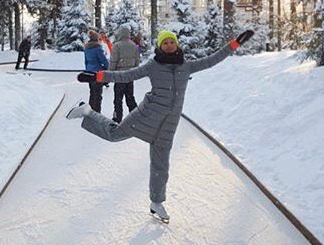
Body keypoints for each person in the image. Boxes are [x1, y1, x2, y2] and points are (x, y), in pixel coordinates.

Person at [66, 28, 254, 223]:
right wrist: (98, 77)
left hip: (168, 125)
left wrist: (235, 44)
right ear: (160, 46)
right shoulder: (153, 66)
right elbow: (127, 75)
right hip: (147, 115)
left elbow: (212, 59)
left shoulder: (186, 66)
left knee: (161, 165)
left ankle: (156, 202)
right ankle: (87, 112)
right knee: (114, 135)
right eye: (165, 43)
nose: (169, 45)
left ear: (176, 44)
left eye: (172, 42)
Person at [109, 26, 140, 123]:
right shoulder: (133, 45)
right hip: (129, 76)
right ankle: (135, 116)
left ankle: (117, 117)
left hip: (119, 76)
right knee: (130, 97)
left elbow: (113, 60)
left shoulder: (117, 45)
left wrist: (110, 73)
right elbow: (137, 61)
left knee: (118, 98)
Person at [83, 29, 109, 112]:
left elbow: (86, 62)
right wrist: (107, 68)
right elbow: (104, 61)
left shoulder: (87, 49)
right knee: (98, 94)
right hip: (98, 73)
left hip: (89, 72)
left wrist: (87, 70)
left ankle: (91, 111)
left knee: (92, 93)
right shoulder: (98, 49)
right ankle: (97, 112)